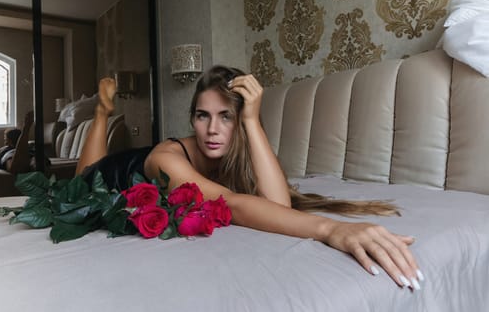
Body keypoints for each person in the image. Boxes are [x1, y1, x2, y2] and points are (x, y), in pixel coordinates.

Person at [76, 66, 424, 291]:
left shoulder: (237, 146)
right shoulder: (166, 160)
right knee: (83, 176)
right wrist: (330, 229)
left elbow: (276, 206)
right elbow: (232, 204)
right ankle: (102, 112)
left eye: (226, 117)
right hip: (111, 175)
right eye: (202, 116)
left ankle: (105, 114)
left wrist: (252, 122)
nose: (212, 130)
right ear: (192, 119)